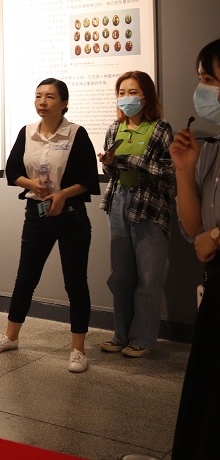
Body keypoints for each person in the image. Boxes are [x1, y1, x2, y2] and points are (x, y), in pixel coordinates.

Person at [0, 78, 100, 373]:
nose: (42, 102)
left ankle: (78, 350)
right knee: (25, 277)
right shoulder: (27, 132)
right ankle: (11, 336)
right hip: (36, 213)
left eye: (50, 97)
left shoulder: (76, 133)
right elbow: (12, 170)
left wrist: (63, 194)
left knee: (75, 282)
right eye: (38, 95)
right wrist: (31, 184)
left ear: (64, 103)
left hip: (71, 215)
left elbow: (89, 178)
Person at [98, 71, 175, 358]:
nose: (126, 98)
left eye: (132, 92)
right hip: (119, 201)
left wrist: (134, 161)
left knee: (148, 276)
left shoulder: (160, 128)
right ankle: (120, 335)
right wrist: (108, 162)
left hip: (150, 205)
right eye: (121, 92)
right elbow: (110, 171)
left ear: (146, 96)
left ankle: (142, 339)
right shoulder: (114, 128)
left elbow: (169, 170)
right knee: (120, 276)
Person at [170, 37, 220, 457]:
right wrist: (184, 172)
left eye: (210, 80)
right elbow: (192, 228)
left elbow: (208, 235)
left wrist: (216, 237)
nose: (202, 90)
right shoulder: (211, 149)